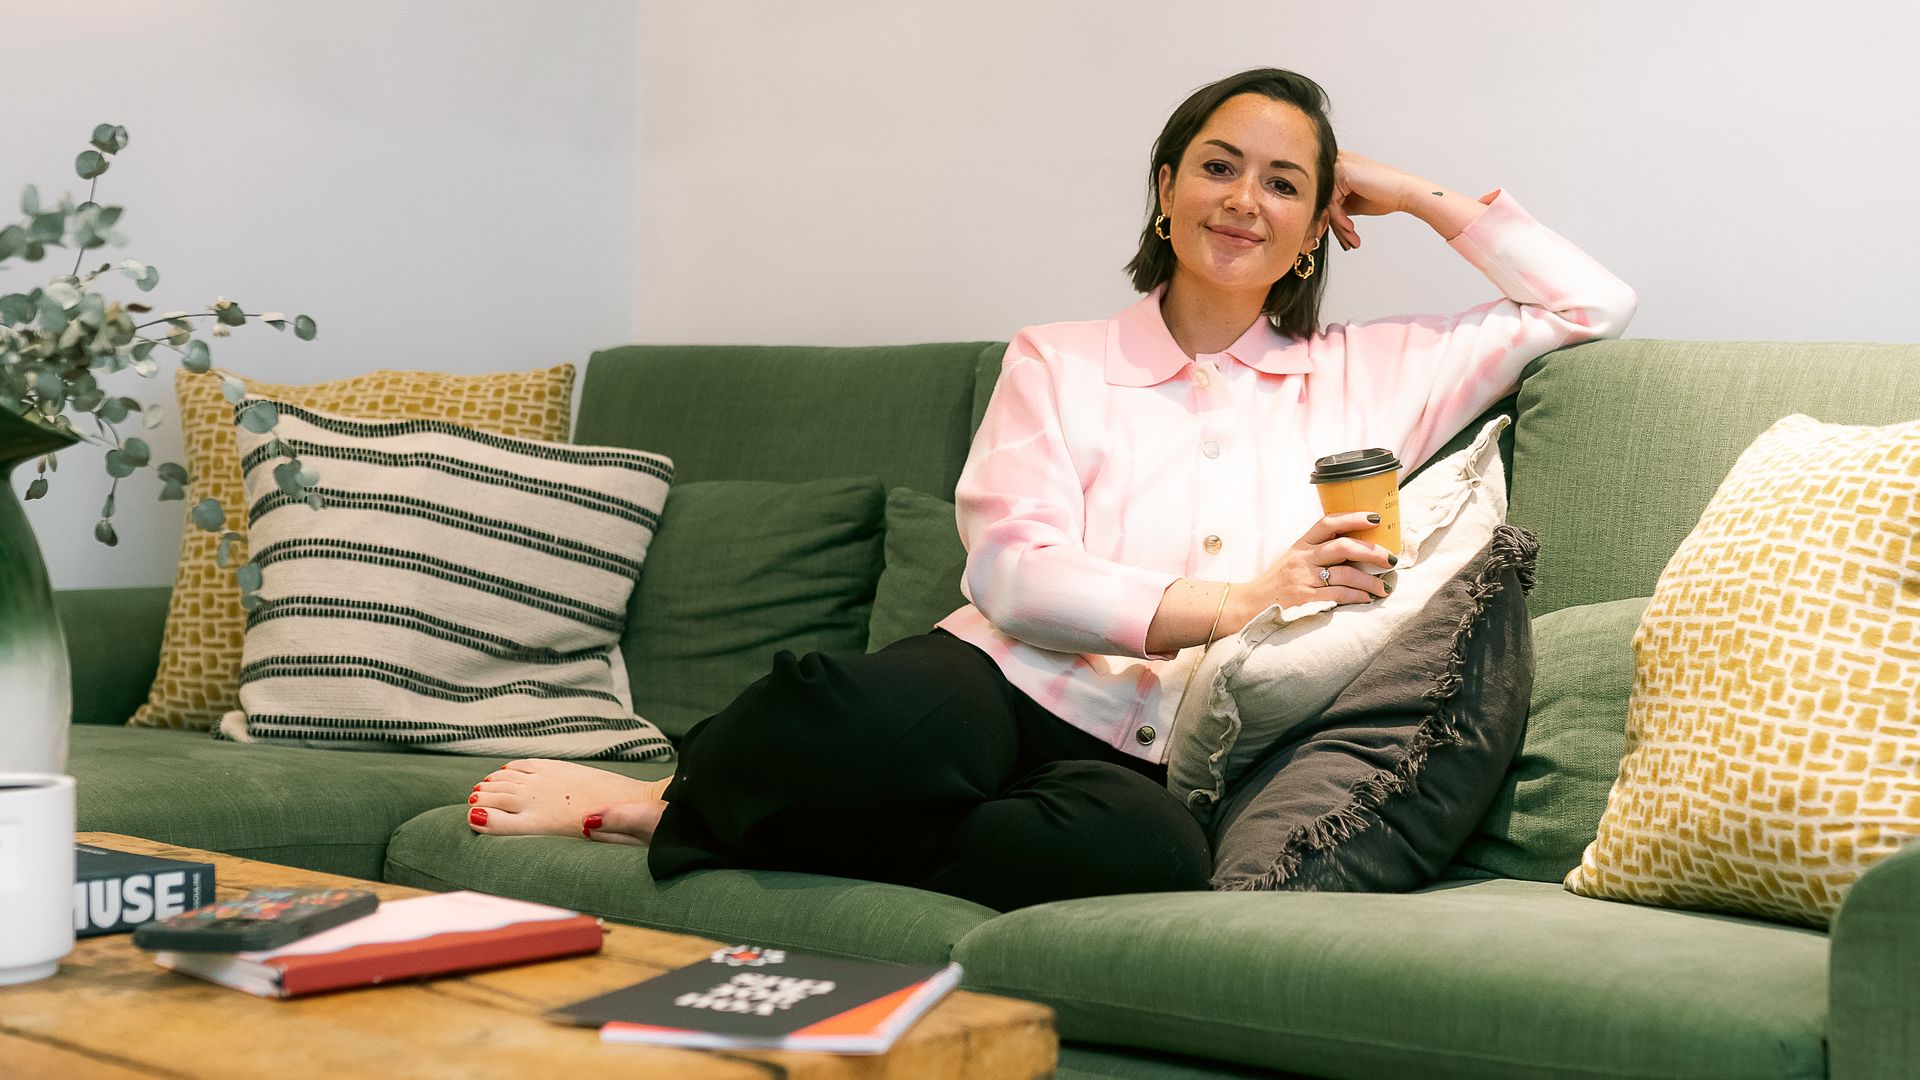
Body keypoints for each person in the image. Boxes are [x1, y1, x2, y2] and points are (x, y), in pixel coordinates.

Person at [465, 67, 1636, 912]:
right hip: (999, 675)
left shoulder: (1374, 373)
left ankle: (714, 823)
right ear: (1166, 187)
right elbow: (1013, 573)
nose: (1244, 199)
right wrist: (1236, 601)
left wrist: (1402, 186)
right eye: (1219, 167)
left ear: (1318, 226)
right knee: (852, 720)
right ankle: (673, 796)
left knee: (1145, 862)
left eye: (1285, 185)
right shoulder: (1061, 358)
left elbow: (1584, 306)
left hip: (1144, 748)